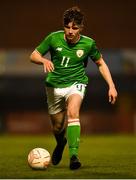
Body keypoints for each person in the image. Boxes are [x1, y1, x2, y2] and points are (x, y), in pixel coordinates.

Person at [30, 6, 118, 170]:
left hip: (76, 83)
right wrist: (44, 60)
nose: (70, 31)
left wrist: (111, 86)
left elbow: (100, 63)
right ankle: (61, 142)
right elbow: (33, 55)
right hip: (54, 86)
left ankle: (74, 156)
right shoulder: (53, 38)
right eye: (67, 27)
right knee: (57, 127)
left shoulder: (88, 43)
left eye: (75, 28)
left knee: (73, 112)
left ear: (81, 28)